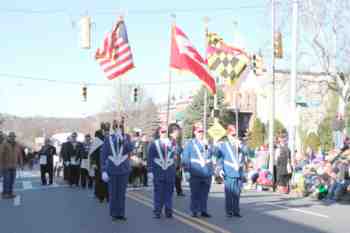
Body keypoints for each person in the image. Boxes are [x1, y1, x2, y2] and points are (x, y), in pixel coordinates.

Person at [100, 118, 134, 221]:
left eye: (120, 127)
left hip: (123, 169)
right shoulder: (108, 139)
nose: (118, 129)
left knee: (122, 193)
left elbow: (130, 148)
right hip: (112, 169)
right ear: (113, 129)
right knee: (113, 193)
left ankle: (121, 213)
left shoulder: (126, 137)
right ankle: (114, 214)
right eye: (116, 127)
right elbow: (103, 156)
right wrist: (104, 171)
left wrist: (123, 139)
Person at [182, 122, 214, 218]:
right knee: (195, 193)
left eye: (202, 131)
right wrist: (187, 171)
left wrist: (209, 146)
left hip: (207, 173)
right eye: (199, 131)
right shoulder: (190, 144)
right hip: (195, 172)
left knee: (204, 194)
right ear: (195, 132)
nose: (201, 133)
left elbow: (211, 155)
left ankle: (203, 210)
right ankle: (194, 210)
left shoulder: (206, 143)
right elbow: (186, 158)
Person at [147, 125, 178, 219]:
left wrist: (174, 145)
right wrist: (150, 171)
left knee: (169, 192)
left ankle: (168, 211)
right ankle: (157, 211)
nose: (164, 134)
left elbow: (177, 154)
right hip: (158, 171)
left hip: (169, 171)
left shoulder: (171, 142)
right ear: (159, 133)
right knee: (158, 193)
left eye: (165, 132)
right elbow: (150, 157)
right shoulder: (154, 144)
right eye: (162, 132)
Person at [216, 124, 246, 218]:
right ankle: (229, 211)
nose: (235, 137)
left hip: (239, 172)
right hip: (229, 171)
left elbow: (248, 153)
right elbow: (220, 157)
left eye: (235, 135)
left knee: (237, 193)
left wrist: (241, 146)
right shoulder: (224, 145)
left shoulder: (239, 145)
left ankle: (236, 210)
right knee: (229, 193)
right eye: (233, 135)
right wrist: (220, 168)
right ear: (228, 134)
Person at [0, 132, 23, 199]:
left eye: (13, 137)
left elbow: (19, 154)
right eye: (11, 136)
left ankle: (10, 193)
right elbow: (0, 154)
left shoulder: (17, 144)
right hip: (6, 165)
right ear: (8, 137)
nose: (12, 138)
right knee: (7, 180)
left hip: (14, 165)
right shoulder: (4, 144)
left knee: (12, 180)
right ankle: (5, 193)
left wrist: (21, 163)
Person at [91, 122, 109, 202]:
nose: (106, 132)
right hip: (98, 162)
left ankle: (108, 195)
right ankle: (100, 196)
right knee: (99, 179)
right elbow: (93, 153)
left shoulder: (109, 139)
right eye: (104, 130)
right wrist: (93, 163)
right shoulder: (97, 140)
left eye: (107, 130)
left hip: (108, 162)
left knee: (108, 179)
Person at [168, 123, 185, 197]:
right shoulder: (168, 141)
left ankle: (179, 191)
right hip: (171, 162)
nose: (177, 133)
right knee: (171, 178)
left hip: (177, 161)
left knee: (178, 177)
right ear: (171, 133)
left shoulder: (178, 141)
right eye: (176, 132)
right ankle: (169, 191)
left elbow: (180, 151)